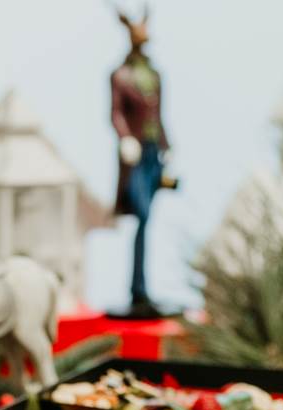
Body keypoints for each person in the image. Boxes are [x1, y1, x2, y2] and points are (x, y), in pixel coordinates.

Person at [110, 6, 173, 319]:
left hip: (152, 154)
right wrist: (125, 138)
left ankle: (142, 288)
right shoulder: (121, 76)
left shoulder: (154, 76)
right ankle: (137, 288)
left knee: (148, 218)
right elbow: (116, 113)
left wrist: (166, 146)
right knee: (142, 213)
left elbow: (159, 116)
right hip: (134, 155)